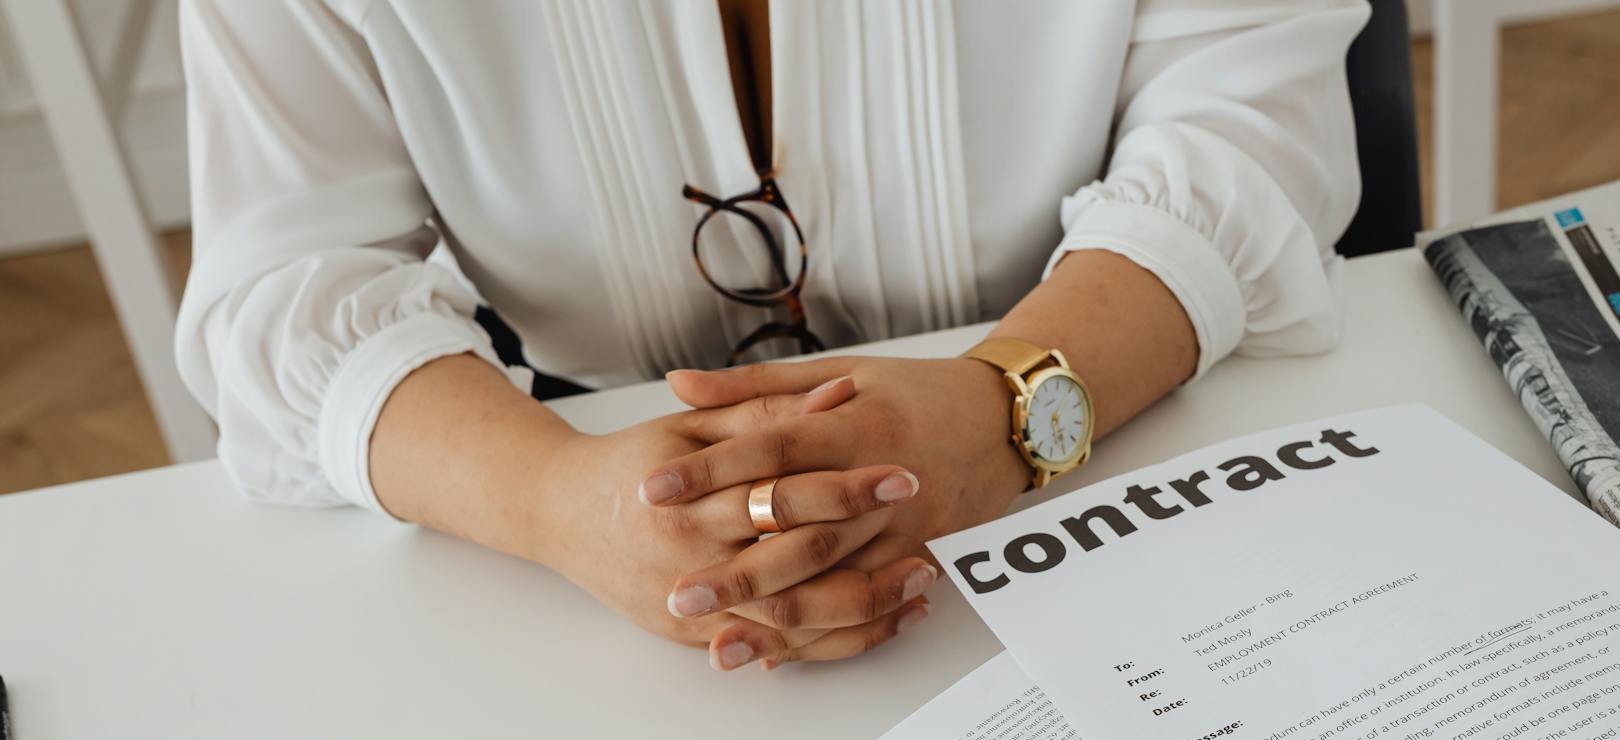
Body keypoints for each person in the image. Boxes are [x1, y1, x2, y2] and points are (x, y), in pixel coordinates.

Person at [174, 0, 1369, 670]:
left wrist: (1008, 411)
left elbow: (1246, 128)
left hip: (1115, 463)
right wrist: (551, 495)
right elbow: (282, 283)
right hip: (598, 580)